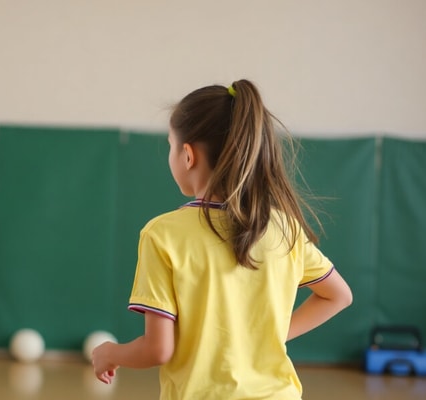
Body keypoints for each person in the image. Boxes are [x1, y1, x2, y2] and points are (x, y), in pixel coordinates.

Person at [91, 79, 353, 399]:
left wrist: (109, 353)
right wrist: (270, 336)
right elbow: (338, 295)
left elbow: (158, 350)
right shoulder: (285, 228)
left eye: (170, 145)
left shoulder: (162, 235)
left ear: (187, 155)